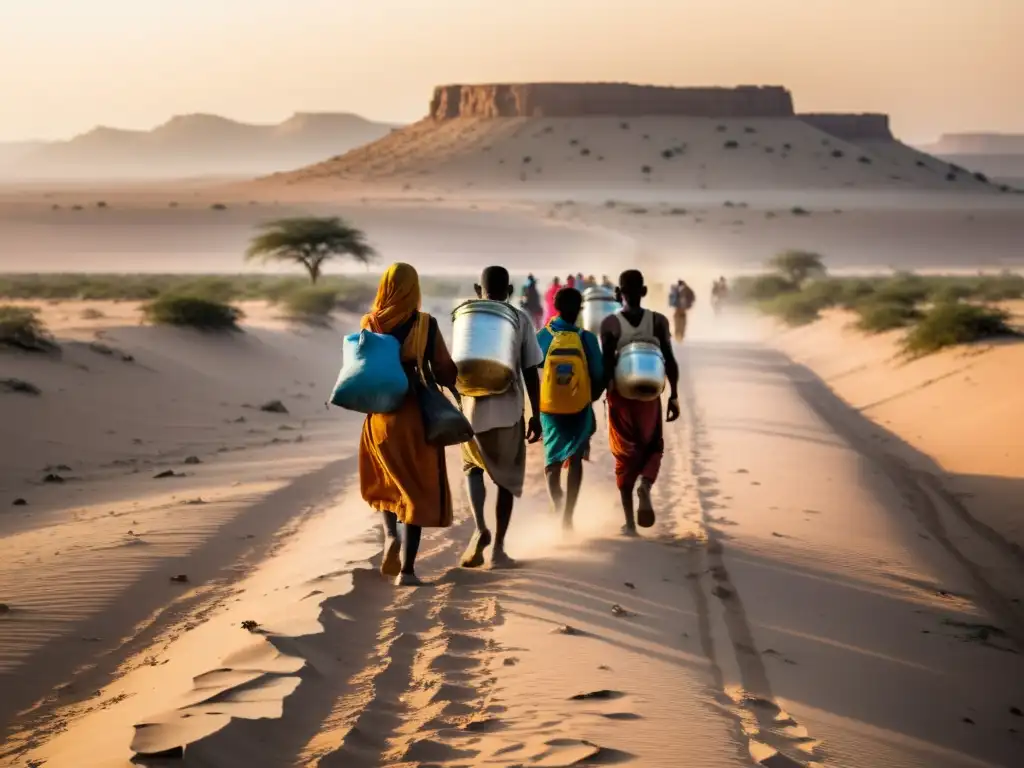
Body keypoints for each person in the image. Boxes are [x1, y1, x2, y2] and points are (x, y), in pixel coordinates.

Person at [359, 263, 458, 586]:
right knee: (415, 489)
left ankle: (390, 534)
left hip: (379, 417)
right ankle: (408, 571)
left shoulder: (369, 322)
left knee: (389, 481)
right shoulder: (425, 324)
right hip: (415, 415)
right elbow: (444, 369)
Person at [460, 266, 544, 569]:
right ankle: (497, 551)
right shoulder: (520, 318)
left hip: (471, 410)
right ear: (509, 290)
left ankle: (480, 527)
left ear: (477, 288)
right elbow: (531, 370)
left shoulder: (464, 315)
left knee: (472, 469)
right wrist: (536, 413)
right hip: (508, 411)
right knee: (506, 480)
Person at [600, 270, 680, 536]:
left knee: (625, 455)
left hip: (621, 398)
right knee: (652, 446)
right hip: (650, 396)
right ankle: (645, 484)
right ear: (643, 292)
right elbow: (669, 359)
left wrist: (603, 394)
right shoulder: (658, 321)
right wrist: (674, 396)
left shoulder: (610, 323)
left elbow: (606, 365)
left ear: (618, 293)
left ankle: (630, 523)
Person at [536, 288, 605, 530]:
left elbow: (529, 368)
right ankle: (568, 516)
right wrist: (590, 398)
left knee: (552, 459)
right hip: (579, 406)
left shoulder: (543, 336)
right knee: (575, 460)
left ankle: (557, 499)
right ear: (580, 309)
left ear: (554, 306)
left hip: (549, 408)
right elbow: (598, 374)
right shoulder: (587, 338)